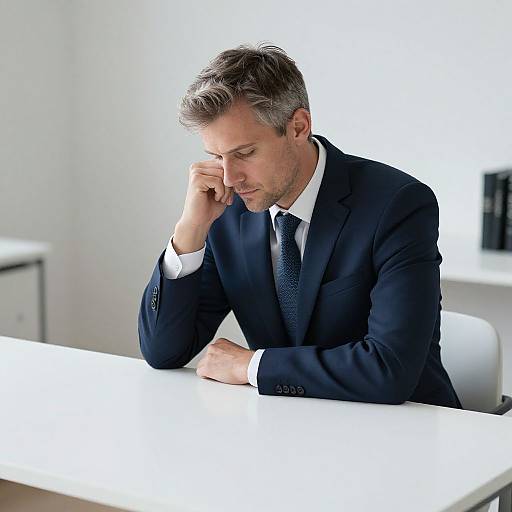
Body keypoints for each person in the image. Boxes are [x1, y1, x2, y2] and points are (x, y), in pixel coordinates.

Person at [138, 43, 462, 408]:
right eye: (216, 156)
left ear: (298, 126)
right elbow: (163, 352)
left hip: (406, 433)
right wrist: (188, 232)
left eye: (244, 153)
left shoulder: (397, 205)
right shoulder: (226, 210)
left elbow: (389, 370)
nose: (229, 176)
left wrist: (252, 366)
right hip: (286, 433)